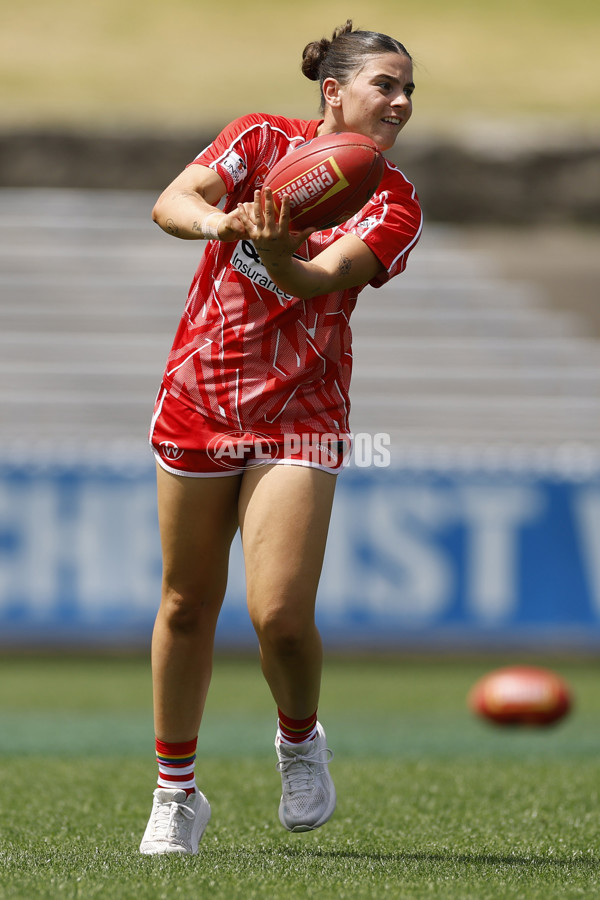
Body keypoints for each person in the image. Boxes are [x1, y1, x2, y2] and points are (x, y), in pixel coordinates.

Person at [139, 19, 423, 855]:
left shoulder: (396, 199)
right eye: (387, 85)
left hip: (303, 408)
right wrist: (222, 226)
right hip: (201, 393)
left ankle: (299, 739)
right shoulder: (260, 138)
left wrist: (277, 248)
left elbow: (315, 279)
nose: (402, 102)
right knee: (187, 603)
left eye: (410, 90)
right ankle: (176, 794)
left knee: (281, 617)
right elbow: (172, 203)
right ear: (333, 90)